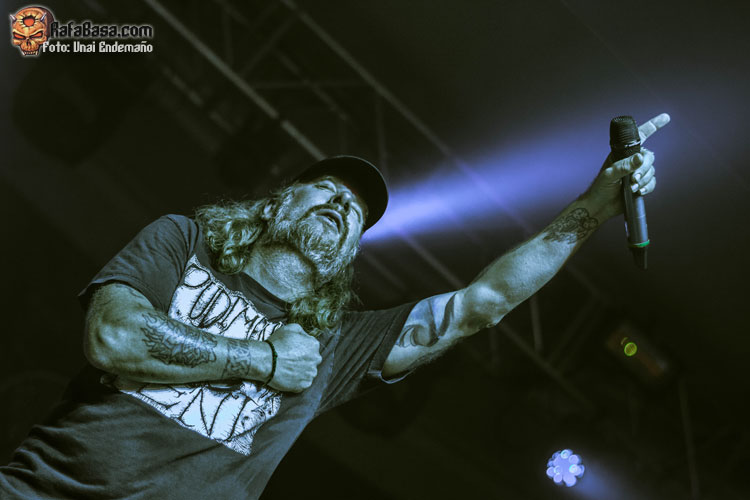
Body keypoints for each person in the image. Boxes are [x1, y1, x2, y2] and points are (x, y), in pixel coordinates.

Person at [0, 113, 669, 499]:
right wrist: (264, 361)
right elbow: (114, 338)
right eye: (327, 189)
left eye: (357, 214)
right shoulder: (183, 243)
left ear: (348, 254)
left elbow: (483, 303)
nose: (343, 205)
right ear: (278, 202)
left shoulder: (340, 346)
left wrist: (593, 207)